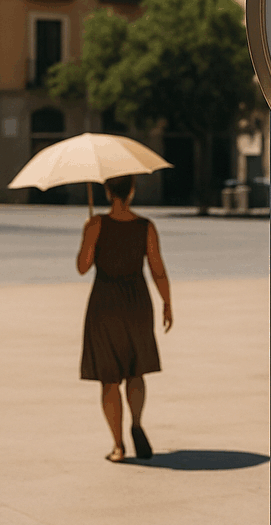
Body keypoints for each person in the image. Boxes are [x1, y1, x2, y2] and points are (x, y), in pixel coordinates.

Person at [77, 174, 173, 463]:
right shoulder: (146, 226)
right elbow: (157, 269)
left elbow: (82, 267)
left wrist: (88, 235)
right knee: (135, 370)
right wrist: (167, 302)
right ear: (131, 191)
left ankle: (118, 446)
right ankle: (137, 423)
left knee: (108, 378)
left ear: (107, 191)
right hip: (137, 302)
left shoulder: (96, 225)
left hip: (105, 302)